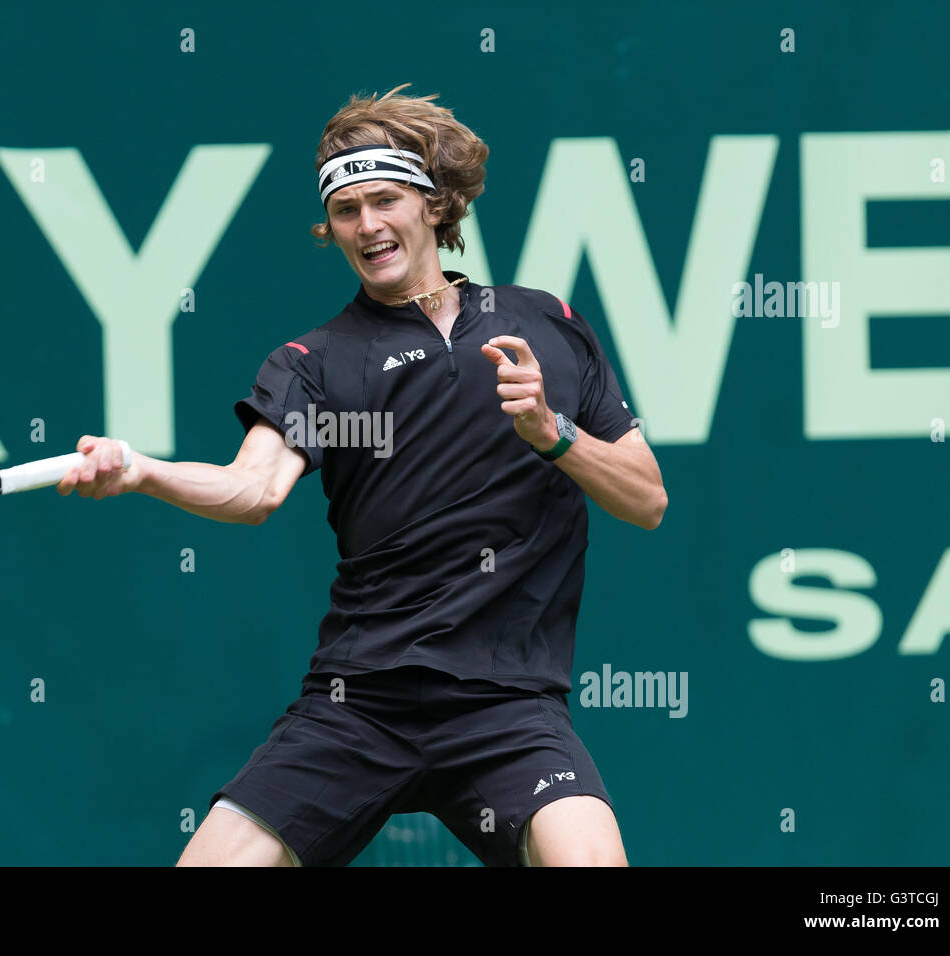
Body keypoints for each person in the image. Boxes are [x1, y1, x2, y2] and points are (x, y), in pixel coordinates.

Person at [57, 84, 667, 866]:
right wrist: (142, 471)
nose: (367, 225)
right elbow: (254, 489)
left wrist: (553, 434)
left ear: (435, 205)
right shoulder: (313, 363)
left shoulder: (545, 322)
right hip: (360, 702)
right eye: (346, 210)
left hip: (507, 705)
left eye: (385, 200)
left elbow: (647, 498)